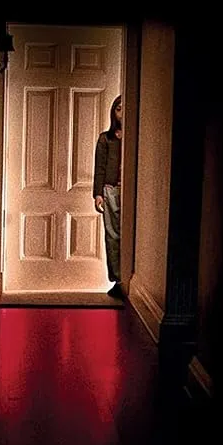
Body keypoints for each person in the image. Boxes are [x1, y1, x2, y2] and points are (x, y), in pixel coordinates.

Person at [93, 95, 123, 299]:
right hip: (110, 190)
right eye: (118, 109)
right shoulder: (106, 139)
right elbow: (100, 167)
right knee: (112, 235)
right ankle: (117, 279)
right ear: (113, 112)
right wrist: (98, 194)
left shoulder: (135, 137)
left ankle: (127, 277)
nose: (122, 113)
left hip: (128, 190)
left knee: (128, 235)